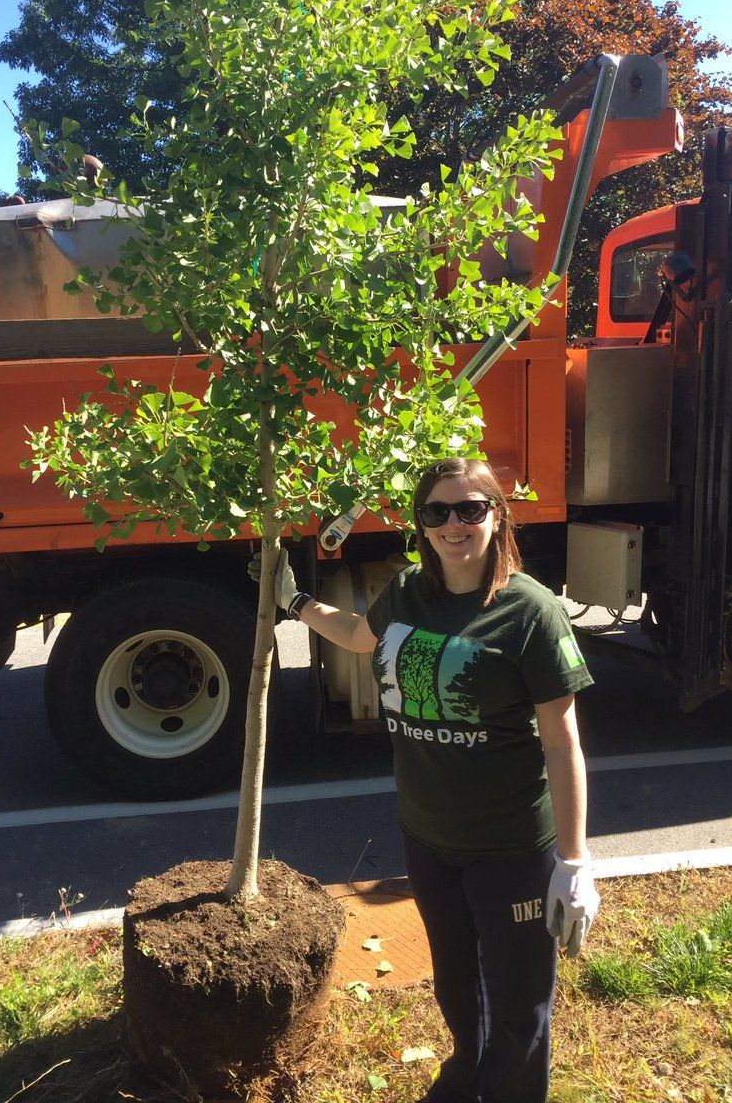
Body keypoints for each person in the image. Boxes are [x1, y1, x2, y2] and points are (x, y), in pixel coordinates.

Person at [250, 456, 599, 1103]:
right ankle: (466, 1076)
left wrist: (574, 862)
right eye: (438, 511)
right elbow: (358, 635)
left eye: (470, 508)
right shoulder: (409, 589)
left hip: (511, 848)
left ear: (497, 516)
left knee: (518, 1005)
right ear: (421, 523)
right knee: (456, 987)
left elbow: (562, 742)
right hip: (429, 839)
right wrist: (293, 602)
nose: (454, 524)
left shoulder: (530, 611)